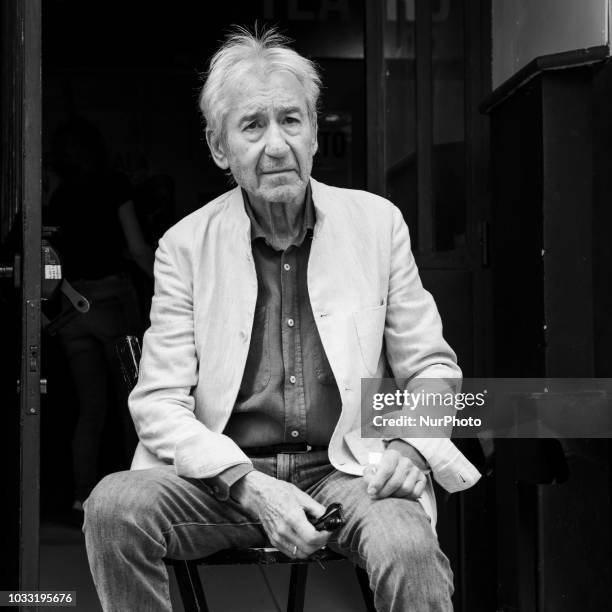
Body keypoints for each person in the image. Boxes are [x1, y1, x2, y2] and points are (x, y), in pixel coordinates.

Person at [83, 27, 481, 612]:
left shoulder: (378, 224)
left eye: (291, 121)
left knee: (406, 542)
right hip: (224, 482)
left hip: (349, 471)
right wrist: (249, 485)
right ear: (220, 150)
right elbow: (158, 405)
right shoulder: (184, 245)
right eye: (252, 126)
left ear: (316, 132)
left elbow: (433, 368)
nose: (276, 145)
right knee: (113, 507)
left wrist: (411, 447)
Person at [45, 116, 154, 519]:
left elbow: (51, 260)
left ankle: (81, 498)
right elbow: (138, 248)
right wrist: (174, 284)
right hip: (113, 301)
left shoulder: (59, 198)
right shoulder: (114, 187)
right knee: (134, 403)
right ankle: (138, 495)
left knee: (90, 409)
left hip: (74, 307)